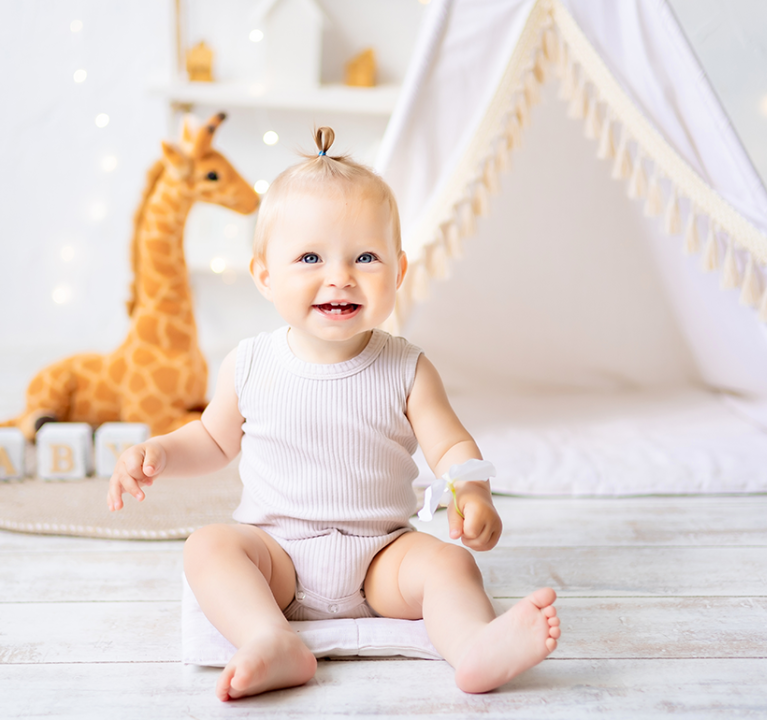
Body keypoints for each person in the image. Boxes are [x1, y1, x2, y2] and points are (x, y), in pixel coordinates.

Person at [108, 127, 560, 701]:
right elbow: (213, 440)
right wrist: (161, 453)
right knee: (208, 548)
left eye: (365, 257)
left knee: (448, 565)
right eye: (310, 257)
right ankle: (269, 639)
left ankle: (473, 645)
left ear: (396, 273)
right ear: (266, 276)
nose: (339, 275)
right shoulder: (249, 363)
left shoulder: (407, 366)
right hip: (276, 558)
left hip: (381, 558)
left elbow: (450, 446)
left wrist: (474, 494)